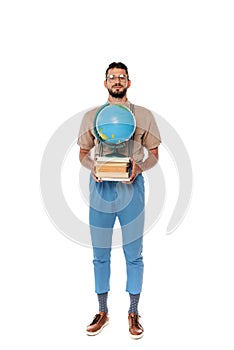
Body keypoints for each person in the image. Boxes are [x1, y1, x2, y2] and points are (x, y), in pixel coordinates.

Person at [77, 62, 161, 339]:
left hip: (131, 189)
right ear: (105, 83)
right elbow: (83, 154)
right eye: (112, 77)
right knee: (100, 255)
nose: (117, 80)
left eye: (121, 77)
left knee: (133, 254)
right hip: (101, 190)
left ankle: (133, 312)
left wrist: (139, 168)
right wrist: (94, 168)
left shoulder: (144, 116)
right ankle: (102, 311)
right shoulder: (91, 117)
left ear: (128, 82)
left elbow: (154, 155)